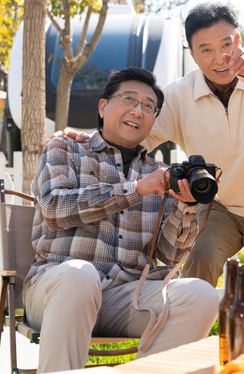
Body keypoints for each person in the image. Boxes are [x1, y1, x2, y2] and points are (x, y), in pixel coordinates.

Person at [59, 3, 244, 286]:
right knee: (198, 260)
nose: (220, 58)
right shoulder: (178, 95)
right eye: (205, 49)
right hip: (217, 203)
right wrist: (87, 140)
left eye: (226, 44)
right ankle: (187, 326)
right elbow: (135, 135)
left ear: (239, 41)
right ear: (193, 54)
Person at [24, 67, 218, 373]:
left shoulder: (158, 174)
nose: (137, 111)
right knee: (79, 274)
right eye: (129, 99)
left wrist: (185, 207)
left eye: (148, 106)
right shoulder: (66, 148)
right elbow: (54, 207)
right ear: (103, 107)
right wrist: (135, 190)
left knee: (202, 295)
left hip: (126, 298)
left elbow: (169, 257)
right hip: (58, 290)